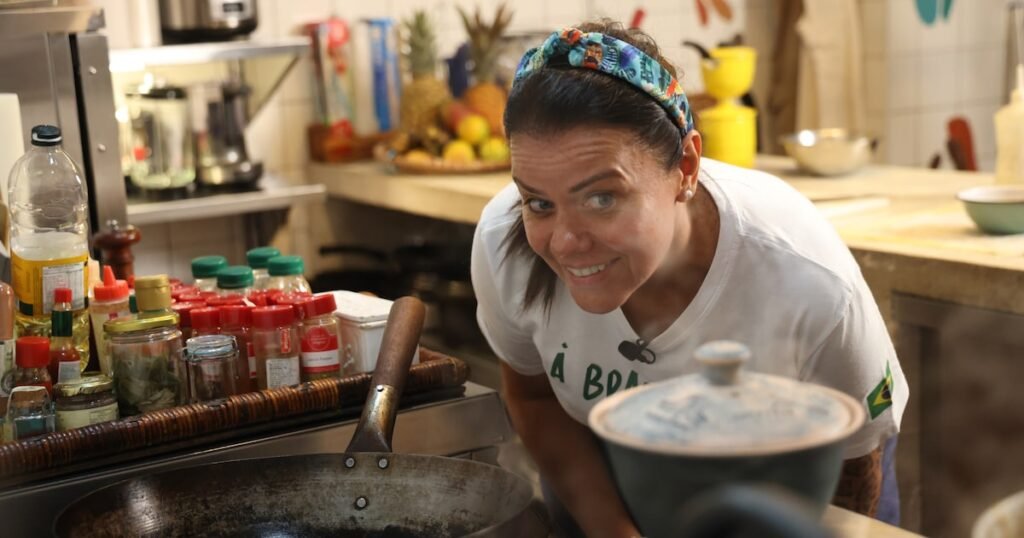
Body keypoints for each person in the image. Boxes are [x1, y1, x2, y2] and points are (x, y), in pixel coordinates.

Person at [470, 20, 908, 538]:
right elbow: (535, 397)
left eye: (602, 198)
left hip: (790, 492)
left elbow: (857, 462)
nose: (564, 242)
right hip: (598, 484)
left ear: (686, 165)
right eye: (539, 202)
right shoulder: (507, 243)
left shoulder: (805, 277)